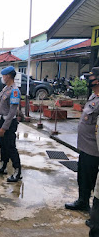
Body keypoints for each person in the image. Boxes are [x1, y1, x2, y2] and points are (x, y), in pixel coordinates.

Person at [65, 67, 99, 212]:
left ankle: (94, 212)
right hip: (85, 147)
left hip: (94, 149)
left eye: (92, 77)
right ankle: (82, 201)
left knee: (91, 179)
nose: (89, 80)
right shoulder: (93, 97)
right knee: (83, 176)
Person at [0, 66, 22, 182]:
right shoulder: (6, 88)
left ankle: (17, 171)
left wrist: (4, 127)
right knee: (2, 144)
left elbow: (12, 111)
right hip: (2, 120)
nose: (2, 77)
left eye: (3, 75)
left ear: (8, 76)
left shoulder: (14, 91)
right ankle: (3, 166)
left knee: (10, 146)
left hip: (9, 122)